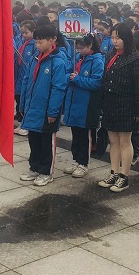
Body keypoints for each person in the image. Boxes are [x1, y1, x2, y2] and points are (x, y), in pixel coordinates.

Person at [98, 23, 139, 193]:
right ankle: (114, 172)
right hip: (110, 103)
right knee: (113, 141)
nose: (115, 41)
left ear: (126, 38)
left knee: (125, 141)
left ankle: (124, 176)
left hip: (126, 105)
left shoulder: (135, 59)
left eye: (118, 38)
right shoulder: (111, 55)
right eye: (112, 38)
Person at [18, 25, 69, 186]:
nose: (38, 45)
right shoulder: (35, 58)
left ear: (52, 40)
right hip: (32, 108)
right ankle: (34, 167)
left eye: (41, 42)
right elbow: (27, 81)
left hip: (47, 111)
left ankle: (46, 172)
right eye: (36, 42)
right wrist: (23, 104)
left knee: (46, 142)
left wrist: (53, 111)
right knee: (33, 140)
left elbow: (58, 88)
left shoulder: (58, 61)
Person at [62, 34, 104, 179]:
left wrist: (78, 79)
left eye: (82, 48)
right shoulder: (78, 58)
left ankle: (84, 163)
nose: (79, 51)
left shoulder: (97, 61)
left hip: (87, 105)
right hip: (74, 102)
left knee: (85, 136)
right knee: (75, 135)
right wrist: (70, 77)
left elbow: (96, 83)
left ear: (90, 46)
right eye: (78, 48)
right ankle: (76, 160)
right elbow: (67, 73)